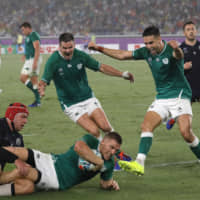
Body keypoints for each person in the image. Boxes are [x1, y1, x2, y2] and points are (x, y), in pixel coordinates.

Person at [88, 25, 200, 176]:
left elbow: (179, 56)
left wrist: (178, 49)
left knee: (186, 133)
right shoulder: (146, 52)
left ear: (159, 39)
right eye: (146, 43)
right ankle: (139, 164)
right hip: (161, 98)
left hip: (179, 96)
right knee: (146, 126)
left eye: (151, 43)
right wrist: (99, 48)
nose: (148, 46)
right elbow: (122, 55)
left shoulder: (171, 50)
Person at [38, 32, 133, 139]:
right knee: (94, 131)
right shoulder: (53, 60)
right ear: (59, 47)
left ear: (74, 45)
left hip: (88, 98)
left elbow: (101, 67)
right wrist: (42, 88)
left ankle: (116, 152)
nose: (68, 51)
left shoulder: (80, 55)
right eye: (64, 48)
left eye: (70, 47)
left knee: (106, 127)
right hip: (71, 104)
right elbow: (44, 80)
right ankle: (102, 153)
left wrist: (122, 74)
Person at [0, 131, 122, 196]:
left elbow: (104, 184)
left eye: (116, 150)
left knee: (24, 173)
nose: (113, 152)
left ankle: (3, 180)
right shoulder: (91, 141)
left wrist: (111, 184)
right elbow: (78, 147)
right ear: (103, 142)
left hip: (55, 178)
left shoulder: (110, 164)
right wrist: (98, 162)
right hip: (49, 159)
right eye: (111, 147)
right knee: (12, 151)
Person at [0, 102, 29, 172]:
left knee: (27, 178)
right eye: (23, 117)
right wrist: (15, 160)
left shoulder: (18, 137)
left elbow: (23, 158)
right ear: (11, 116)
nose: (26, 121)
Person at [20, 22, 42, 107]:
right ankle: (38, 96)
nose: (23, 32)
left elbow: (37, 48)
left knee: (31, 79)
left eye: (23, 30)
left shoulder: (34, 35)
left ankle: (38, 100)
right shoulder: (27, 37)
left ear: (28, 28)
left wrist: (35, 62)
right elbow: (30, 48)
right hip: (29, 60)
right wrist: (25, 55)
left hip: (33, 60)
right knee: (26, 79)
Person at [180, 21, 200, 103]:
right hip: (187, 87)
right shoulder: (180, 49)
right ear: (184, 33)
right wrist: (183, 67)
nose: (191, 31)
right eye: (188, 30)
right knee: (186, 113)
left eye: (192, 29)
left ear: (196, 31)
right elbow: (173, 69)